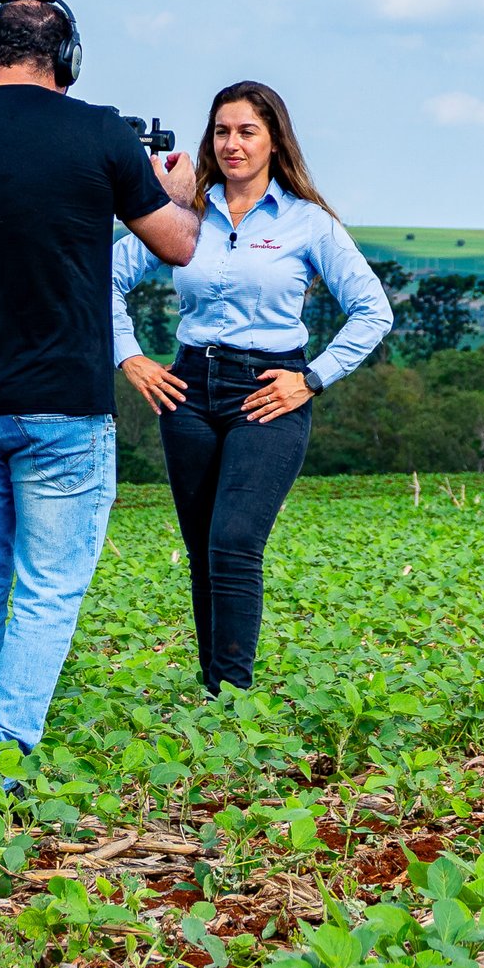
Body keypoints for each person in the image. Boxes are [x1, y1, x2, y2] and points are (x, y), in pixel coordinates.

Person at [0, 0, 200, 774]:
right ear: (65, 59)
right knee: (47, 587)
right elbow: (178, 247)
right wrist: (175, 190)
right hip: (62, 402)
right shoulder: (97, 131)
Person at [112, 80, 392, 696]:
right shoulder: (185, 216)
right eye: (221, 131)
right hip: (186, 390)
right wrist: (131, 358)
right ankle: (213, 693)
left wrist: (313, 377)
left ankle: (231, 698)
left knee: (235, 539)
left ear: (274, 141)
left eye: (247, 131)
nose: (232, 144)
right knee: (204, 550)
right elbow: (101, 280)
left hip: (269, 390)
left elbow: (373, 310)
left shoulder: (307, 223)